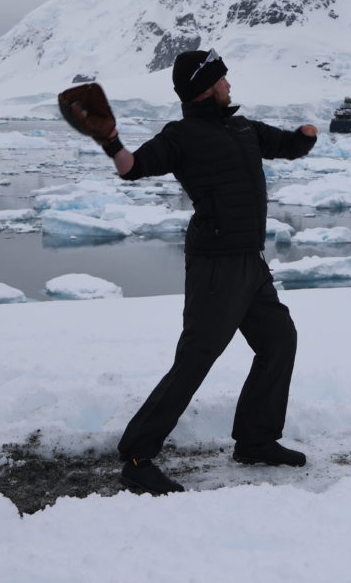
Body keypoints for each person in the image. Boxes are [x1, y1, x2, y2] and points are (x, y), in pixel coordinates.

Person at [57, 49, 318, 495]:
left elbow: (284, 146)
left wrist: (304, 138)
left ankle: (255, 439)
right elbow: (134, 168)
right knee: (195, 360)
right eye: (224, 80)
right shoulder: (182, 137)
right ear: (207, 85)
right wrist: (111, 142)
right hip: (215, 266)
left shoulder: (242, 128)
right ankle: (138, 457)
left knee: (279, 339)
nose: (230, 86)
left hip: (250, 263)